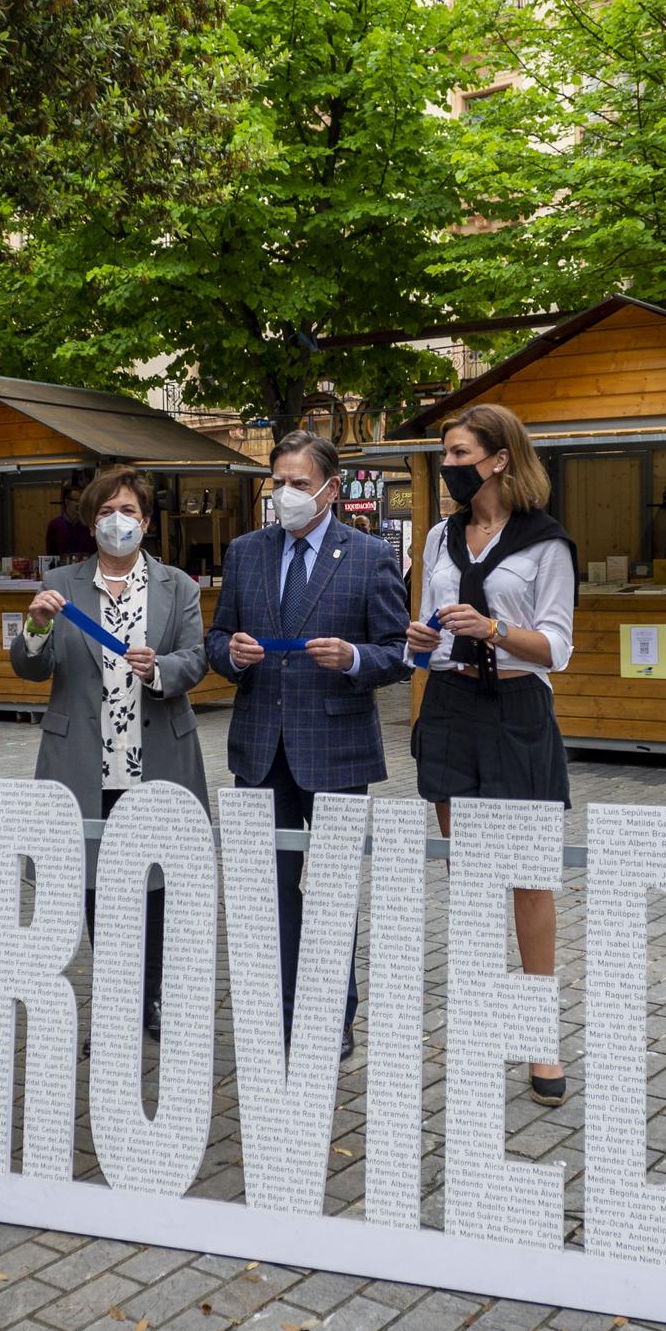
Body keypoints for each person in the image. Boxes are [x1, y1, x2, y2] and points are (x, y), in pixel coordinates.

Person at [206, 431, 410, 1060]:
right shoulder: (246, 552)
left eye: (300, 483)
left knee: (330, 891)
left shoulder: (371, 555)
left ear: (331, 488)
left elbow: (400, 652)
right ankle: (279, 1005)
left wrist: (353, 658)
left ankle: (331, 1013)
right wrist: (231, 656)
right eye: (279, 482)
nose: (286, 494)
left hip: (335, 746)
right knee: (267, 888)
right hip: (260, 749)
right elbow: (217, 640)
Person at [407, 403, 578, 1106]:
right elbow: (423, 624)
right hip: (449, 705)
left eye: (456, 452)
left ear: (499, 458)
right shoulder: (438, 539)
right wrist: (418, 642)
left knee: (528, 879)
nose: (446, 465)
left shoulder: (546, 544)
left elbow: (557, 649)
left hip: (515, 710)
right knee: (471, 878)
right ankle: (481, 1025)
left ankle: (539, 1040)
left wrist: (495, 627)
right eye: (443, 454)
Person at [11, 467, 208, 1044]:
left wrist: (162, 669)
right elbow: (29, 669)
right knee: (95, 883)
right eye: (104, 512)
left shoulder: (178, 586)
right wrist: (35, 626)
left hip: (158, 759)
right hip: (83, 761)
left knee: (155, 882)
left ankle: (153, 995)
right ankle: (117, 999)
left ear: (146, 522)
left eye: (127, 511)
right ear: (90, 522)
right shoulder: (61, 584)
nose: (115, 521)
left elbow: (196, 659)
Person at [45, 485, 96, 560]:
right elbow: (51, 554)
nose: (79, 504)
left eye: (81, 501)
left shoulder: (89, 525)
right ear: (66, 501)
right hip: (63, 568)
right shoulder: (54, 525)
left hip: (86, 568)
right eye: (76, 500)